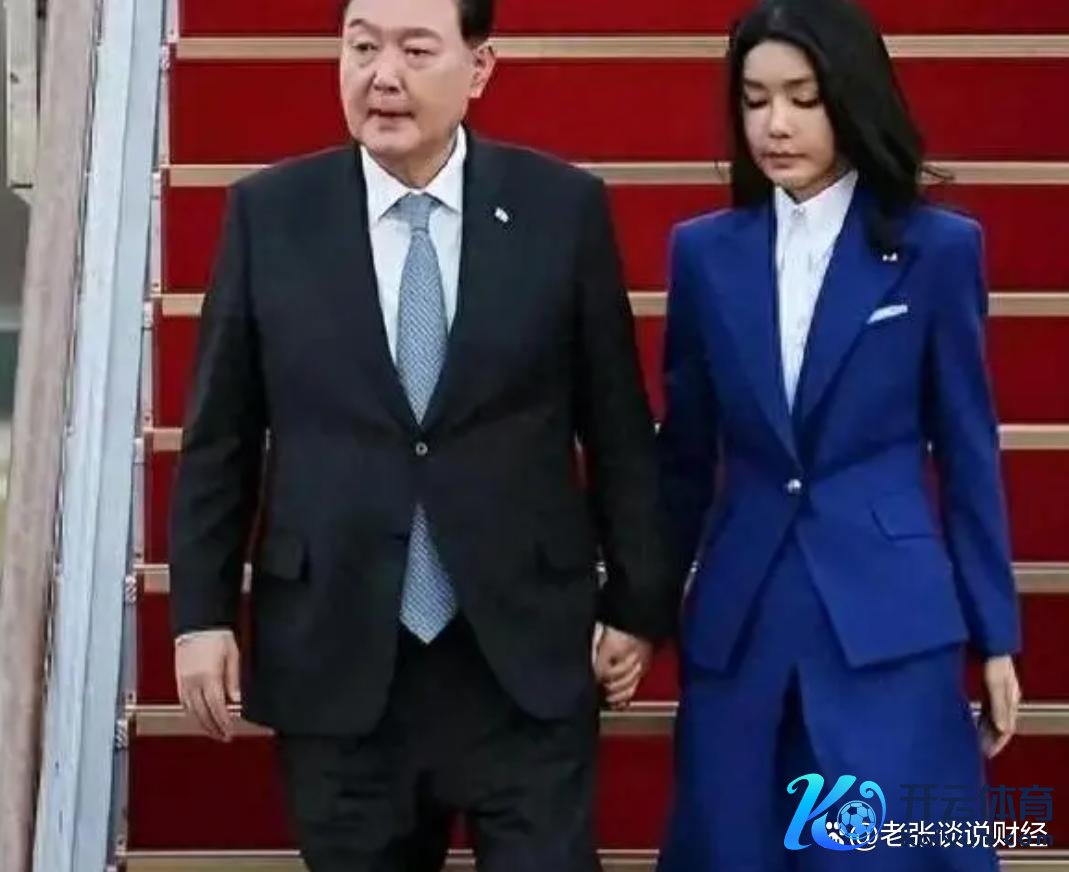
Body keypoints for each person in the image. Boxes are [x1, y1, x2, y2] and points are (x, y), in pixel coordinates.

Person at [167, 0, 675, 868]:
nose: (382, 76)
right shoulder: (270, 214)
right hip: (340, 649)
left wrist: (635, 606)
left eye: (414, 50)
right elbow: (221, 437)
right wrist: (201, 616)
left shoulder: (560, 209)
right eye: (361, 47)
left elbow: (617, 425)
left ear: (479, 67)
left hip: (519, 653)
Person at [656, 0, 1022, 869]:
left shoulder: (936, 250)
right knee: (734, 846)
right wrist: (639, 612)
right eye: (753, 100)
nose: (774, 125)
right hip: (742, 620)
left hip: (887, 622)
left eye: (801, 97)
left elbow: (966, 450)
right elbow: (683, 457)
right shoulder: (703, 254)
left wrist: (995, 634)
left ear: (849, 98)